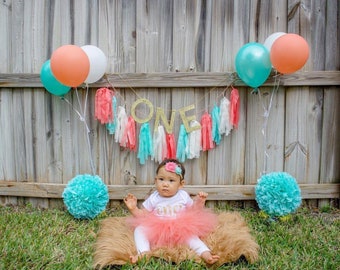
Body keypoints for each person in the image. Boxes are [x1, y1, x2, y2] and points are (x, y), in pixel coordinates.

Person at [124, 158, 220, 265]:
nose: (165, 184)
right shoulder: (154, 197)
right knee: (140, 229)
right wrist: (133, 208)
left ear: (181, 184)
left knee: (192, 238)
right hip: (158, 230)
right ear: (155, 181)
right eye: (161, 179)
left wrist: (199, 202)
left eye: (171, 180)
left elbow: (193, 210)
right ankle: (144, 252)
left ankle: (205, 253)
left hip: (180, 228)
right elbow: (143, 215)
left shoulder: (183, 196)